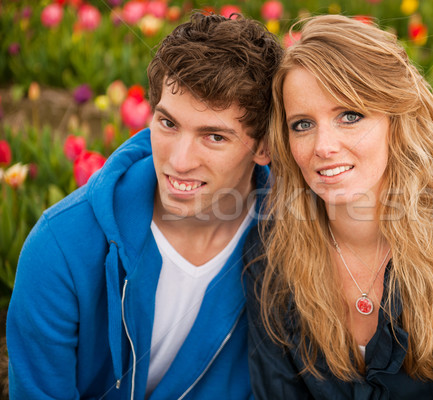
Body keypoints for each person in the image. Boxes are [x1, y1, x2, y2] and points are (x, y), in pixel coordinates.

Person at [244, 14, 433, 399]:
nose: (324, 147)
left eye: (350, 116)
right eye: (303, 124)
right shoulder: (270, 252)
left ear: (396, 120)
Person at [7, 13, 282, 399]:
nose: (180, 160)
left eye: (214, 136)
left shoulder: (291, 249)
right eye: (168, 124)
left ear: (265, 147)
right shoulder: (60, 246)